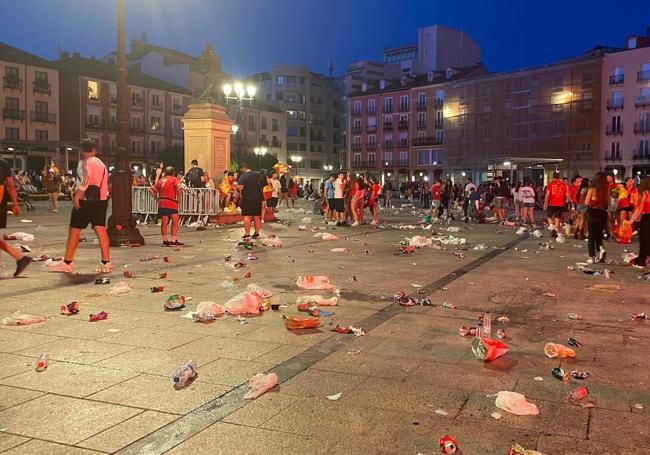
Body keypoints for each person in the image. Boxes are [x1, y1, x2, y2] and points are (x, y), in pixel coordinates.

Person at [48, 139, 111, 273]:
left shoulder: (85, 162)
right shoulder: (101, 164)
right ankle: (106, 262)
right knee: (100, 229)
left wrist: (78, 195)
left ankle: (67, 262)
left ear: (82, 150)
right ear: (94, 149)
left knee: (74, 230)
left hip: (85, 200)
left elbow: (86, 178)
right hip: (101, 200)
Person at [0, 158, 33, 277]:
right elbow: (11, 186)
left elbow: (9, 186)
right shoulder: (4, 163)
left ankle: (21, 258)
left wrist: (15, 205)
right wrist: (15, 205)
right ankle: (21, 258)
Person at [150, 166, 183, 247]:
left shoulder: (161, 180)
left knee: (164, 222)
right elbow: (180, 188)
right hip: (171, 202)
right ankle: (173, 240)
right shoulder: (174, 179)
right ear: (173, 173)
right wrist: (178, 199)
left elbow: (151, 190)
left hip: (162, 202)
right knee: (175, 221)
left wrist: (156, 198)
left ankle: (165, 240)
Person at [585, 172, 609, 264]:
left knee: (591, 236)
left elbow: (587, 202)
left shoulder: (592, 189)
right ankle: (601, 248)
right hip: (603, 213)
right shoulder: (606, 190)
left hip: (593, 213)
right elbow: (608, 203)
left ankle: (591, 256)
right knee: (599, 234)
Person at [237, 163, 264, 239]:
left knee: (247, 216)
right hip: (258, 198)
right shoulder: (258, 175)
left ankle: (247, 234)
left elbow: (240, 188)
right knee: (256, 216)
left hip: (247, 198)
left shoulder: (244, 176)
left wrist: (236, 186)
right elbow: (265, 185)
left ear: (243, 168)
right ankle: (257, 233)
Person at [628, 177, 650, 267]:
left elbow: (639, 209)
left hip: (647, 218)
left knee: (644, 239)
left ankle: (644, 259)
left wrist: (631, 221)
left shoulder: (644, 193)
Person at [544, 171, 568, 236]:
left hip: (552, 203)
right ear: (559, 176)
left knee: (549, 216)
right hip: (560, 203)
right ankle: (556, 231)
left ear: (553, 176)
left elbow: (547, 195)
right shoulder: (563, 184)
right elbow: (566, 195)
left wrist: (545, 204)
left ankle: (551, 226)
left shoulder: (550, 184)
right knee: (558, 218)